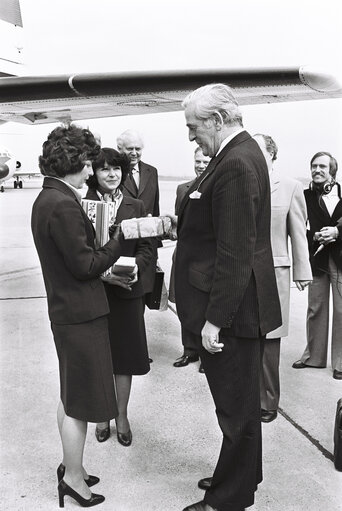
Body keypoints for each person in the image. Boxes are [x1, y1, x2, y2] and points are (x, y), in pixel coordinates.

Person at [172, 84, 282, 511]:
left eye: (193, 126)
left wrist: (215, 320)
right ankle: (240, 475)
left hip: (232, 312)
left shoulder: (235, 162)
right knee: (239, 407)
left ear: (217, 121)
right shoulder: (235, 155)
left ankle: (229, 499)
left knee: (235, 412)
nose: (190, 136)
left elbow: (235, 250)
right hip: (238, 306)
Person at [31, 125, 123, 507]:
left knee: (71, 395)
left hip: (66, 311)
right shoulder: (64, 204)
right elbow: (86, 265)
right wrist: (119, 241)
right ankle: (72, 478)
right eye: (88, 165)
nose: (91, 173)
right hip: (80, 314)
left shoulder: (46, 198)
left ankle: (73, 465)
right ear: (74, 163)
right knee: (80, 403)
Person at [85, 147, 153, 445]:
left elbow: (147, 248)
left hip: (126, 292)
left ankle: (122, 415)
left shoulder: (135, 205)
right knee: (99, 358)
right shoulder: (82, 205)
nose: (112, 174)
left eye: (117, 169)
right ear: (94, 173)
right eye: (104, 169)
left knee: (124, 358)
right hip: (95, 291)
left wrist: (137, 266)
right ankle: (102, 414)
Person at [253, 134, 312, 423]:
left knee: (270, 340)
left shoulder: (290, 187)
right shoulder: (240, 183)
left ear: (272, 155)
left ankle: (268, 401)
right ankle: (247, 398)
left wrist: (303, 271)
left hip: (275, 272)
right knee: (245, 337)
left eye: (258, 150)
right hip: (243, 274)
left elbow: (298, 231)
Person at [292, 152, 342, 380]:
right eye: (314, 166)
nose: (317, 170)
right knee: (316, 308)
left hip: (340, 260)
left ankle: (340, 363)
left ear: (332, 171)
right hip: (317, 259)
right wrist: (313, 237)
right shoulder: (304, 196)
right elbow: (296, 225)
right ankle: (314, 357)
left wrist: (337, 232)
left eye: (322, 166)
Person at [117, 130, 160, 362]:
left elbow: (156, 206)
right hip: (124, 245)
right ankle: (132, 348)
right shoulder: (114, 172)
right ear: (120, 148)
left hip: (147, 245)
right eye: (128, 149)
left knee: (143, 295)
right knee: (129, 298)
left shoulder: (151, 172)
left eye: (137, 149)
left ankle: (138, 347)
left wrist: (156, 246)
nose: (134, 153)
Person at [169, 146, 210, 372]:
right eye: (197, 161)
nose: (201, 166)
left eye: (205, 161)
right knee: (185, 302)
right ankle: (189, 350)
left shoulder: (216, 186)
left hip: (204, 257)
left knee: (204, 305)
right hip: (184, 254)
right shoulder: (182, 188)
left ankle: (205, 354)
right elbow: (179, 222)